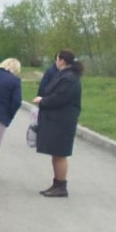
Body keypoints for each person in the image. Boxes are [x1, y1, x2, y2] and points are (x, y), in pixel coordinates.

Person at [32, 49, 84, 198]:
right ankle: (56, 184)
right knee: (56, 153)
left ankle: (61, 185)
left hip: (63, 121)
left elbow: (59, 98)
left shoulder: (69, 78)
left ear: (62, 60)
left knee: (60, 153)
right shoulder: (65, 75)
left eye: (57, 59)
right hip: (56, 120)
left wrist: (43, 101)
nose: (56, 61)